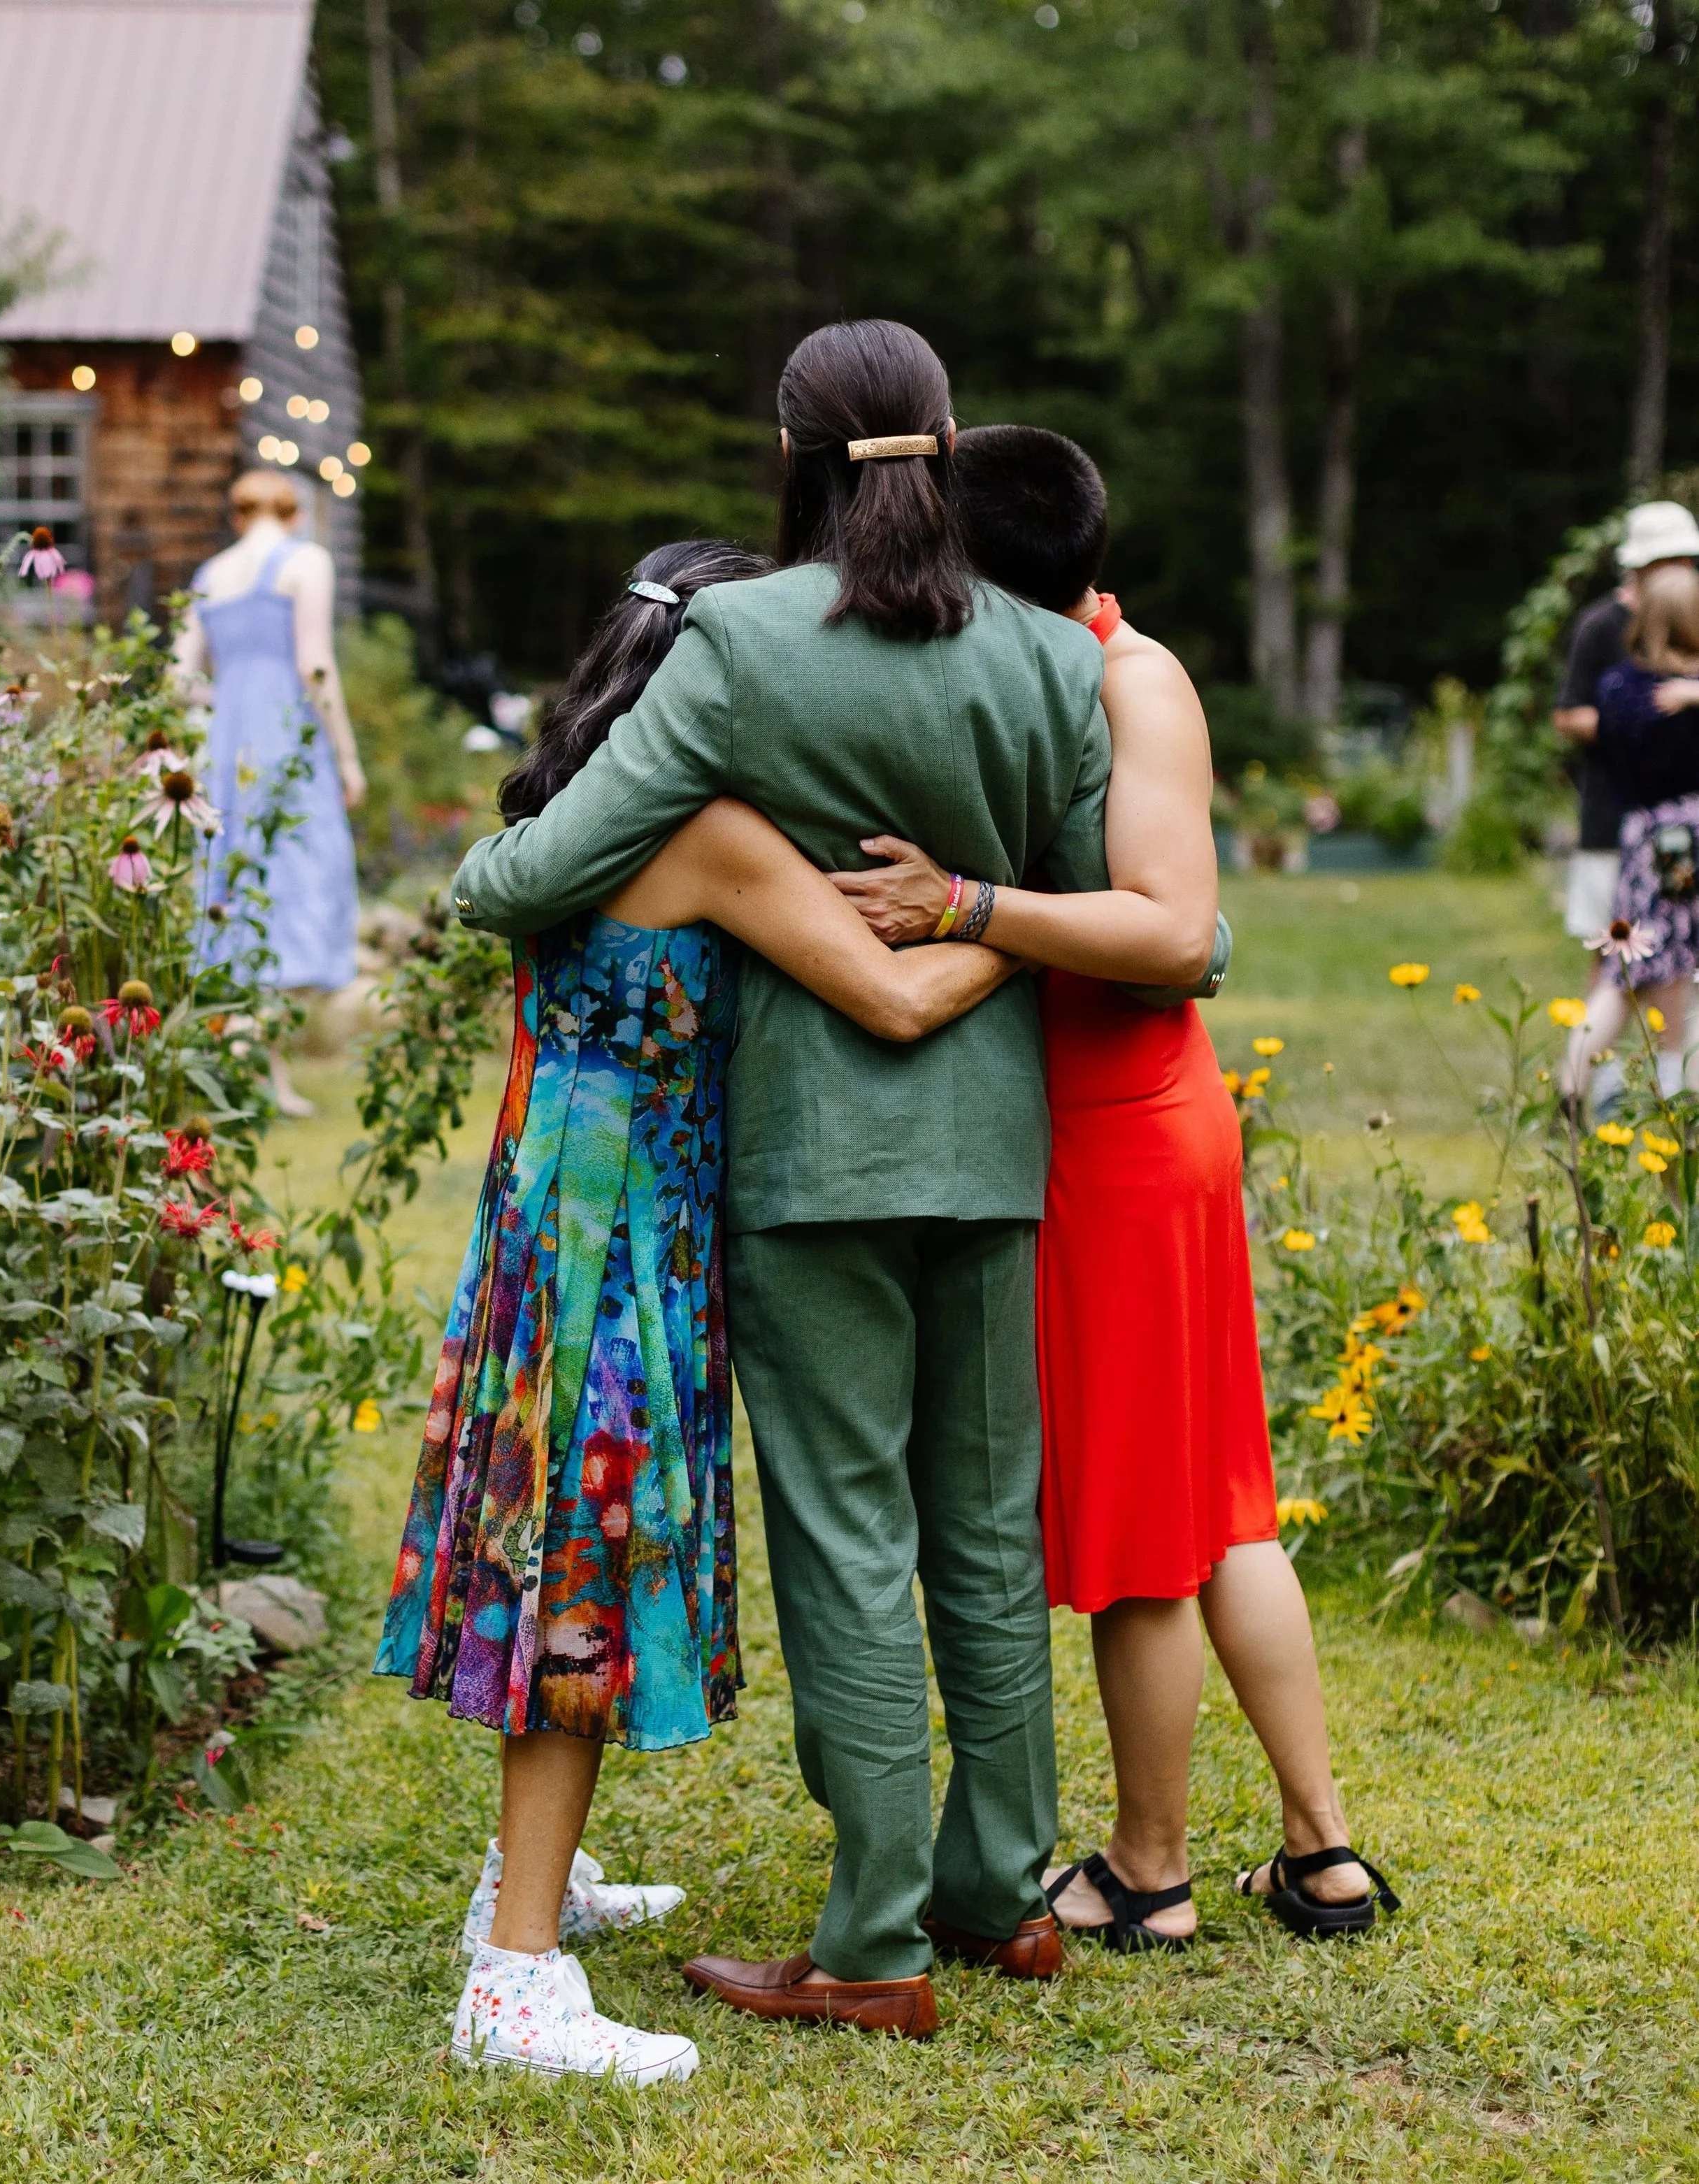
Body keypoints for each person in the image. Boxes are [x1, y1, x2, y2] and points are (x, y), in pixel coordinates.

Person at [447, 321, 1209, 2042]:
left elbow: (542, 872)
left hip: (810, 1162)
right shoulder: (1043, 656)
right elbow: (1135, 922)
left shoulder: (737, 637)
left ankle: (871, 1940)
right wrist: (991, 904)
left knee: (853, 1537)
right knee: (989, 1534)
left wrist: (504, 858)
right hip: (996, 1152)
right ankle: (1001, 1896)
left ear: (789, 457)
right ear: (949, 446)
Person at [380, 536, 1033, 2083]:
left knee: (551, 1558)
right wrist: (1029, 920)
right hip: (621, 1236)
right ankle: (514, 1980)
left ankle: (522, 1889)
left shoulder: (574, 800)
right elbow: (889, 992)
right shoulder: (708, 824)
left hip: (553, 1209)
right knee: (579, 1579)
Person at [832, 424, 1398, 1949]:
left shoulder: (1120, 677)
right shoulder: (1029, 671)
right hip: (1121, 1121)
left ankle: (1148, 1871)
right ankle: (1318, 1848)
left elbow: (1170, 928)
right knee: (1219, 1504)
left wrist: (966, 904)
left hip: (1122, 1128)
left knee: (1156, 1521)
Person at [171, 470, 366, 1117]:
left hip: (229, 753)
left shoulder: (211, 572)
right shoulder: (306, 560)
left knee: (237, 885)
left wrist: (227, 701)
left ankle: (262, 1070)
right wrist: (345, 753)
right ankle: (263, 1057)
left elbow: (179, 678)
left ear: (236, 513)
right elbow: (315, 663)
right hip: (288, 747)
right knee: (306, 875)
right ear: (293, 512)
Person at [1553, 500, 1699, 1109]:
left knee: (1633, 967)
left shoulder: (1621, 688)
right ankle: (1651, 1088)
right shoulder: (1601, 631)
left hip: (1637, 829)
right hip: (1644, 833)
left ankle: (1581, 1079)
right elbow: (1569, 715)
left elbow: (1603, 710)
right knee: (1641, 963)